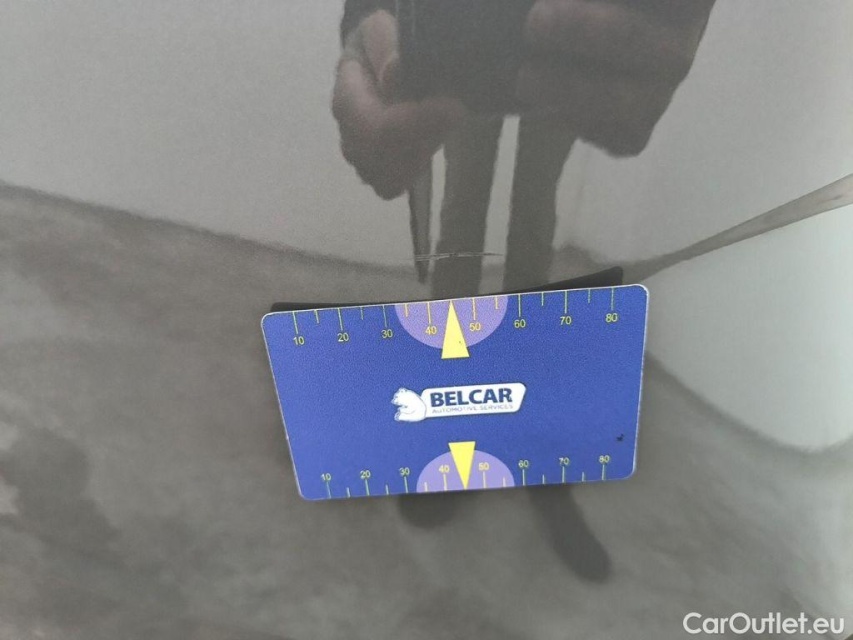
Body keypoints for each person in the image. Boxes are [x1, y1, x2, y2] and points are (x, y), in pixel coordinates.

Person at [333, 0, 716, 296]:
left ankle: (477, 333)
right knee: (491, 198)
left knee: (483, 198)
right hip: (498, 45)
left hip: (539, 43)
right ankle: (490, 331)